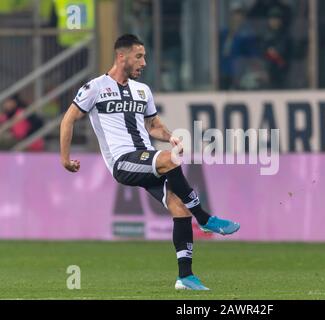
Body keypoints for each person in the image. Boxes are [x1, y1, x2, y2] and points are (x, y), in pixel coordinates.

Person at [60, 34, 240, 291]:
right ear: (121, 57)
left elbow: (153, 126)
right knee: (169, 160)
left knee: (179, 206)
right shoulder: (95, 88)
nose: (144, 62)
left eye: (144, 56)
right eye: (139, 56)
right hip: (123, 162)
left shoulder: (142, 91)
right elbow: (68, 120)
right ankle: (205, 218)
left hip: (145, 157)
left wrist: (170, 137)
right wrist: (65, 158)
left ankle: (185, 277)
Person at [261, 7, 292, 89]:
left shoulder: (285, 36)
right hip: (267, 75)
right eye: (272, 19)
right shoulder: (264, 36)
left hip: (282, 75)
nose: (274, 22)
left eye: (276, 19)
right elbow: (262, 53)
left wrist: (273, 54)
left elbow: (283, 54)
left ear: (280, 21)